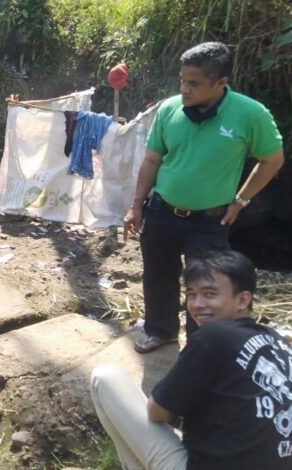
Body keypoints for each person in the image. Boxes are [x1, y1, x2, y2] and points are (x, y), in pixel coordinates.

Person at [123, 42, 284, 354]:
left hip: (210, 221)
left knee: (206, 288)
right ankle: (161, 331)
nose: (184, 89)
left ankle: (201, 348)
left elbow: (272, 159)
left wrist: (241, 200)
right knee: (158, 276)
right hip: (161, 212)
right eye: (182, 80)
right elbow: (152, 160)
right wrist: (136, 205)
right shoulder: (170, 109)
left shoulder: (250, 114)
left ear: (221, 83)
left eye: (193, 83)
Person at [90, 250, 292, 469]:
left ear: (243, 299)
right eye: (191, 294)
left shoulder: (212, 337)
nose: (197, 304)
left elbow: (157, 411)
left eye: (209, 294)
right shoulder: (275, 340)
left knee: (105, 377)